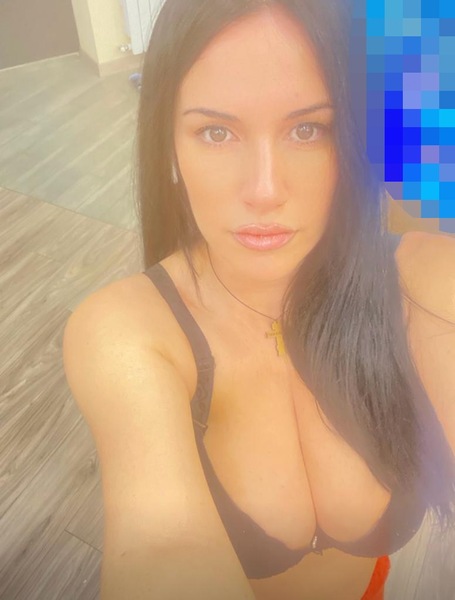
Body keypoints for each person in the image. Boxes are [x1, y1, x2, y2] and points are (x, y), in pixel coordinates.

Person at [62, 1, 455, 598]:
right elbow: (163, 546)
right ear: (168, 146)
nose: (265, 190)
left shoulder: (418, 284)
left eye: (308, 129)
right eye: (216, 132)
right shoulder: (128, 332)